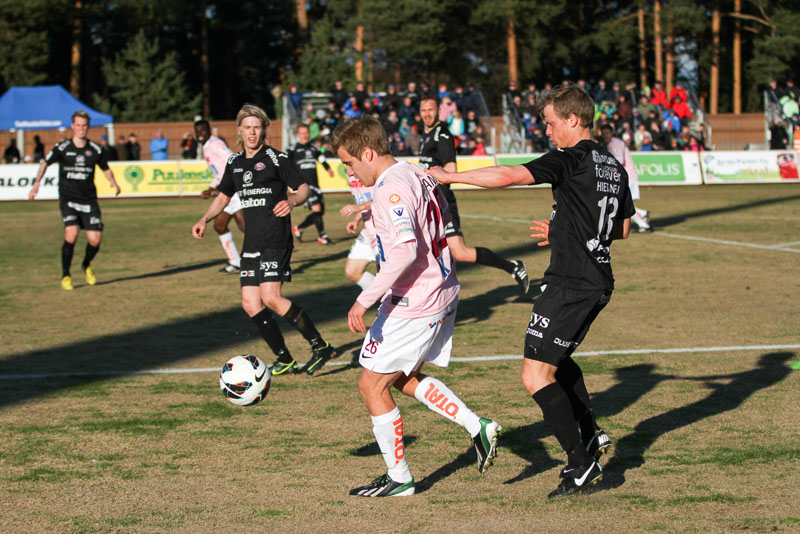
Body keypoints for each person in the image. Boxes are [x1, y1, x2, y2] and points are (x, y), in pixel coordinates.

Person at [429, 83, 634, 498]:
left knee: (535, 374)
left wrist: (450, 176)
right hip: (594, 278)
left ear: (572, 120)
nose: (548, 131)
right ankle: (591, 436)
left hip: (572, 282)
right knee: (557, 361)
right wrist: (565, 228)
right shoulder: (612, 164)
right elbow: (622, 228)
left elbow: (510, 175)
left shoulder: (570, 157)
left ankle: (580, 464)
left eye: (551, 123)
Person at [332, 117, 500, 498]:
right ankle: (479, 427)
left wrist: (363, 299)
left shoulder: (391, 187)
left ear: (368, 153)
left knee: (371, 385)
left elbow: (406, 250)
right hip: (441, 290)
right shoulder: (411, 171)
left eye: (350, 163)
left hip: (415, 300)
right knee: (402, 379)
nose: (350, 172)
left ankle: (399, 477)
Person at [192, 104, 337, 376]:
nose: (252, 133)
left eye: (257, 128)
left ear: (263, 130)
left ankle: (320, 345)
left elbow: (303, 188)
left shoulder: (276, 158)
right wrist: (204, 219)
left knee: (271, 297)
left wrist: (292, 201)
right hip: (252, 242)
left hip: (276, 237)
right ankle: (284, 358)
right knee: (250, 303)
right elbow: (223, 196)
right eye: (247, 128)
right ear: (240, 131)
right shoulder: (234, 163)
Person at [417, 94, 531, 295]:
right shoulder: (425, 135)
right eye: (424, 110)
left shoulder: (441, 134)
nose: (427, 114)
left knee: (459, 252)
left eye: (431, 109)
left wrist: (434, 179)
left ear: (438, 111)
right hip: (429, 202)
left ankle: (512, 266)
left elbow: (450, 168)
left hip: (441, 202)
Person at [28, 110, 121, 290]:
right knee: (71, 233)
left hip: (89, 200)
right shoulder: (62, 148)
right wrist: (36, 184)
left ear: (88, 127)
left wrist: (113, 183)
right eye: (78, 125)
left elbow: (105, 168)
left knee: (95, 239)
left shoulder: (95, 149)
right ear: (72, 126)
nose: (81, 129)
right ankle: (66, 275)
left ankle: (86, 264)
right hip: (68, 198)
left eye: (84, 125)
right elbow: (45, 163)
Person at [195, 119, 246, 273]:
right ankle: (236, 262)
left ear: (209, 130)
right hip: (226, 189)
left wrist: (227, 184)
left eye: (203, 130)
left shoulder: (215, 143)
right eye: (197, 131)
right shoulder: (206, 146)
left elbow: (232, 159)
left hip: (233, 189)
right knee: (219, 226)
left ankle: (266, 254)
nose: (200, 134)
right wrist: (211, 187)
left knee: (245, 226)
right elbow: (220, 171)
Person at [288, 124, 335, 245]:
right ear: (298, 135)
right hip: (304, 186)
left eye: (306, 133)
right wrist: (287, 184)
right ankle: (322, 236)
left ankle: (299, 228)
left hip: (315, 184)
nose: (305, 135)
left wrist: (328, 169)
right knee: (317, 208)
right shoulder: (293, 149)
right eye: (302, 133)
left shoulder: (314, 148)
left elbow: (321, 159)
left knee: (320, 212)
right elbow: (286, 168)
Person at [600, 124, 650, 232]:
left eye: (607, 133)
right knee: (622, 203)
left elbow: (620, 160)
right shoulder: (608, 144)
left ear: (611, 133)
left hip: (628, 177)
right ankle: (642, 214)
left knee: (623, 204)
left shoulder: (616, 144)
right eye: (604, 134)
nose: (605, 136)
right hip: (622, 177)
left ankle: (643, 224)